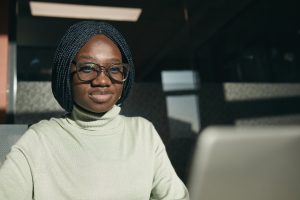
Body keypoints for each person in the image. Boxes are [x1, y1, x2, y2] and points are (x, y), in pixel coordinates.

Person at [0, 21, 189, 199]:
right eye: (88, 68)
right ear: (66, 74)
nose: (102, 80)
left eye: (115, 69)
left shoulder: (143, 133)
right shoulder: (39, 140)